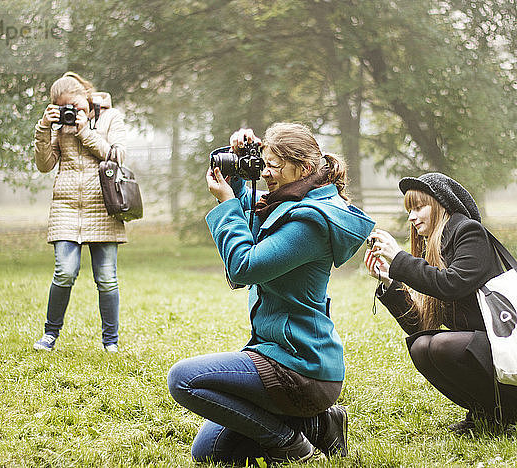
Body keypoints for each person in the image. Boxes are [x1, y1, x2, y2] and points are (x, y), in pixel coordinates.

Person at [167, 123, 375, 464]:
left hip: (301, 368)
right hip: (274, 353)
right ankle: (321, 424)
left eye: (273, 167)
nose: (265, 174)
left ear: (304, 168)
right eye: (262, 164)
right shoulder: (290, 200)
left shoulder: (311, 222)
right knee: (210, 451)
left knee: (183, 379)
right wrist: (238, 165)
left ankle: (289, 444)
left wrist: (225, 203)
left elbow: (244, 266)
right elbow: (251, 209)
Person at [364, 172, 517, 434]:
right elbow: (420, 325)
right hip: (485, 349)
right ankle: (487, 412)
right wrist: (390, 281)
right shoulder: (433, 247)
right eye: (408, 210)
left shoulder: (469, 232)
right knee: (422, 346)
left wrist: (400, 259)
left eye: (418, 207)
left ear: (441, 204)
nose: (411, 217)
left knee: (442, 344)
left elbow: (451, 285)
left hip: (506, 345)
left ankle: (505, 410)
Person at [32, 72, 127, 352]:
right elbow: (44, 165)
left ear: (86, 95)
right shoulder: (58, 125)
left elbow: (118, 156)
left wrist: (86, 131)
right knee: (64, 271)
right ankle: (50, 335)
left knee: (106, 277)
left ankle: (110, 342)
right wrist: (44, 129)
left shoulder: (111, 118)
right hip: (66, 206)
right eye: (65, 108)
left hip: (104, 206)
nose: (73, 112)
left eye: (75, 105)